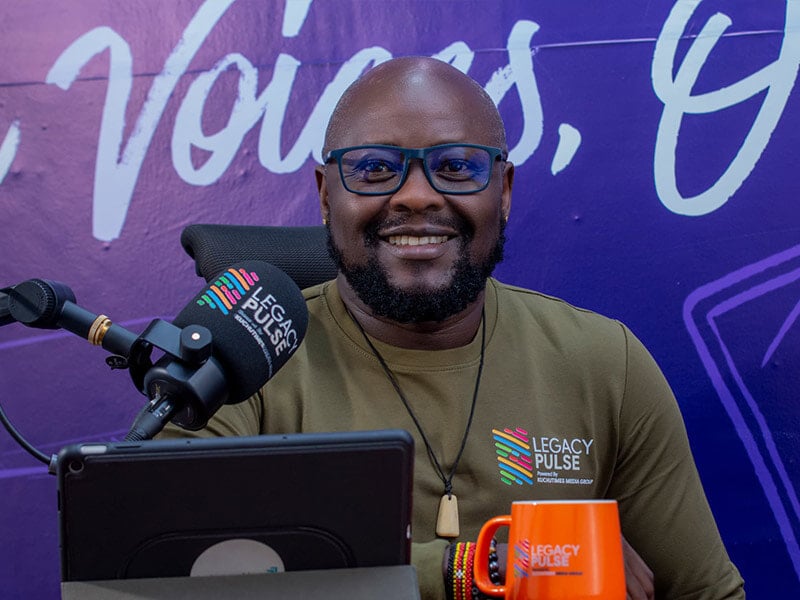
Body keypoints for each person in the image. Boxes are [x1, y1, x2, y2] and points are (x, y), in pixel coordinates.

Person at [160, 56, 745, 599]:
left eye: (456, 167)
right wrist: (480, 566)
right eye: (375, 168)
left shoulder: (604, 362)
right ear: (325, 196)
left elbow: (707, 593)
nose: (416, 196)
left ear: (504, 192)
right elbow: (168, 575)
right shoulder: (237, 364)